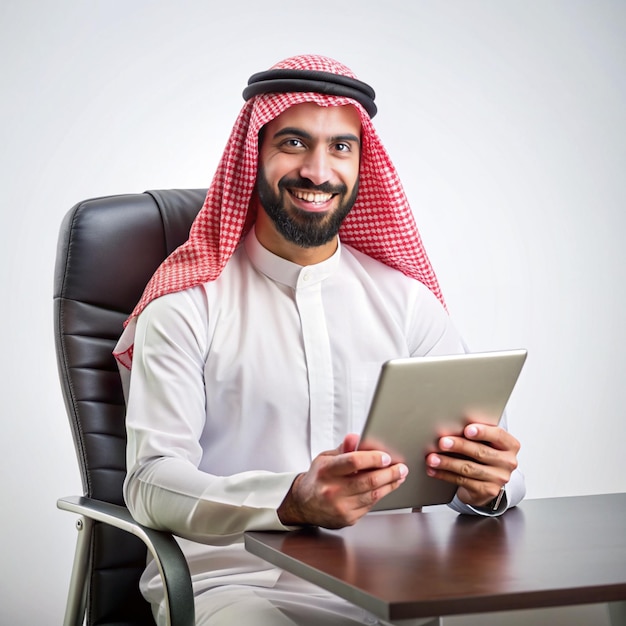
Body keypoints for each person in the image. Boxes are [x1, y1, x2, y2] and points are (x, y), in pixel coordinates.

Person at [114, 54, 525, 626]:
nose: (317, 170)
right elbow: (151, 482)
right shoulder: (188, 305)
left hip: (389, 581)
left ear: (361, 164)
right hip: (234, 581)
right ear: (252, 156)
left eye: (340, 147)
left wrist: (489, 485)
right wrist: (289, 498)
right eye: (293, 142)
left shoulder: (405, 302)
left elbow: (485, 458)